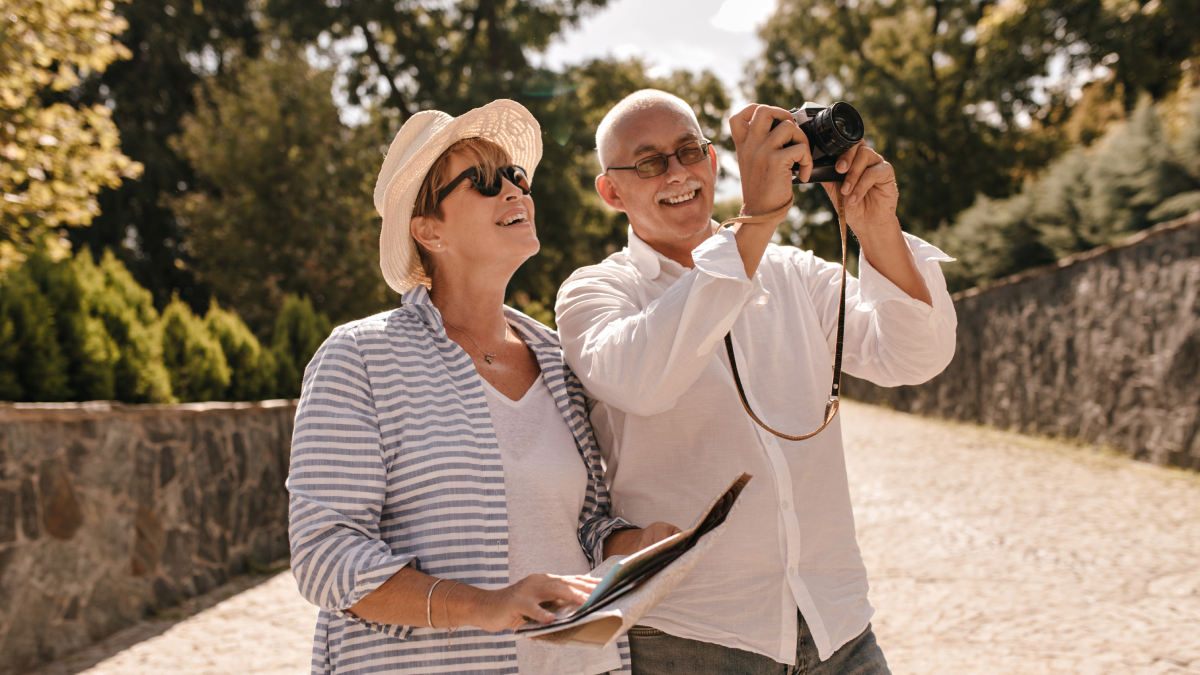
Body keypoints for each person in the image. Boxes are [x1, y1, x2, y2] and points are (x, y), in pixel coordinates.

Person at [554, 90, 958, 674]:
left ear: (714, 162)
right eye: (649, 162)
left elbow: (912, 357)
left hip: (837, 625)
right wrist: (757, 219)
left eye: (689, 151)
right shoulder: (594, 291)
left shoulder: (795, 272)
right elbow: (642, 381)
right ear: (611, 191)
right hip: (693, 638)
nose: (677, 172)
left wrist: (877, 227)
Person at [287, 99, 680, 675]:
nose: (515, 191)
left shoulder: (558, 360)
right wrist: (484, 606)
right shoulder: (360, 358)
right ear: (429, 231)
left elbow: (581, 525)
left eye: (517, 177)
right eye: (483, 181)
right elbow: (326, 556)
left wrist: (636, 545)